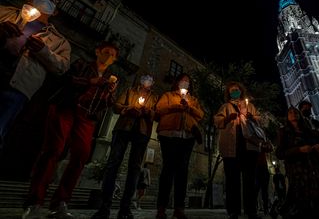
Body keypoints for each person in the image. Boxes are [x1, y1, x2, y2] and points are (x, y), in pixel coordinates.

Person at [22, 41, 119, 219]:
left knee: (81, 155)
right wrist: (91, 81)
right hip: (66, 108)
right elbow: (66, 79)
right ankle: (34, 202)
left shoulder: (109, 77)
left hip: (86, 117)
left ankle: (60, 202)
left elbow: (104, 104)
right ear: (97, 51)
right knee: (53, 150)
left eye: (113, 55)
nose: (109, 57)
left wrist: (110, 94)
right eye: (106, 52)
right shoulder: (81, 64)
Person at [0, 0, 71, 151]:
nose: (47, 0)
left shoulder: (59, 42)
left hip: (17, 88)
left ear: (55, 12)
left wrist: (43, 51)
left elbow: (62, 67)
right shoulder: (5, 13)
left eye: (52, 0)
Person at [91, 74, 158, 219]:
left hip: (142, 132)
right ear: (141, 81)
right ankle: (104, 207)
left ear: (152, 83)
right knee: (112, 164)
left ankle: (125, 208)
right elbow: (116, 106)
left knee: (135, 168)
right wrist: (128, 109)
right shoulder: (129, 91)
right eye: (145, 78)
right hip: (123, 128)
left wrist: (147, 112)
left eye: (150, 79)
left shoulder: (154, 97)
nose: (147, 81)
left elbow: (157, 114)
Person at [155, 73, 204, 219]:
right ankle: (161, 208)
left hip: (187, 136)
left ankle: (179, 208)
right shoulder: (168, 95)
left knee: (182, 171)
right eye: (183, 80)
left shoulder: (193, 99)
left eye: (187, 81)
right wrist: (176, 106)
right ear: (177, 82)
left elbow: (200, 114)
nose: (185, 83)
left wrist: (189, 107)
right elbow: (159, 109)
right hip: (169, 134)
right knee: (168, 169)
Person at [276, 107, 319, 219]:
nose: (293, 114)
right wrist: (299, 150)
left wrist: (317, 147)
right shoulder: (283, 131)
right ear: (287, 117)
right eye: (290, 112)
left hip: (312, 169)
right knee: (302, 201)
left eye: (295, 112)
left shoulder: (307, 130)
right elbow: (280, 153)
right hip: (297, 171)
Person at [214, 81, 262, 219]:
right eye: (232, 90)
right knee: (232, 180)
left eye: (237, 89)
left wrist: (252, 117)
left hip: (249, 147)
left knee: (250, 180)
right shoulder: (225, 106)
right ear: (228, 92)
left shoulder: (250, 106)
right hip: (231, 147)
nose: (234, 91)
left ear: (241, 91)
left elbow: (259, 119)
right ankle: (233, 210)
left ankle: (251, 210)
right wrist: (228, 118)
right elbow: (217, 121)